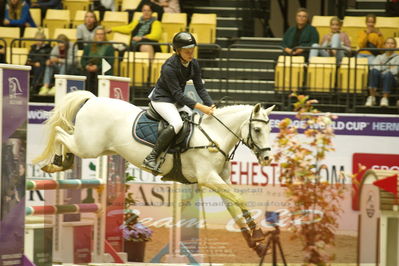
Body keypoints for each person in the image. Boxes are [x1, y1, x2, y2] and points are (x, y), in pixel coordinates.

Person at [142, 32, 215, 172]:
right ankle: (151, 157)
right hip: (162, 100)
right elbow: (178, 94)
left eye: (192, 49)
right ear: (177, 50)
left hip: (175, 101)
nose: (190, 53)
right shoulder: (169, 67)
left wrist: (210, 104)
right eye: (187, 51)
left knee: (194, 120)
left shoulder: (193, 63)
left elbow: (199, 87)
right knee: (177, 123)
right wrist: (201, 107)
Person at [365, 37, 399, 107]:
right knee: (374, 71)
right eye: (388, 43)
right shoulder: (379, 57)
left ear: (395, 46)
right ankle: (372, 97)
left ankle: (385, 98)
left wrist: (382, 67)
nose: (390, 45)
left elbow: (395, 71)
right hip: (379, 78)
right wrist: (388, 67)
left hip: (392, 79)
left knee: (388, 74)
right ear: (384, 45)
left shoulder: (397, 57)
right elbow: (373, 67)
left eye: (392, 43)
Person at [81, 27, 114, 95]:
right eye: (98, 34)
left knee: (98, 76)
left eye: (101, 34)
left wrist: (98, 67)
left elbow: (110, 62)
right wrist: (86, 66)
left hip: (102, 70)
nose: (99, 36)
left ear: (104, 36)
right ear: (95, 35)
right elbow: (83, 59)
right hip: (89, 69)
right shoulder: (88, 46)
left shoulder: (109, 47)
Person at [26, 29, 52, 94]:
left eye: (41, 40)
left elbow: (48, 59)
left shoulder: (48, 48)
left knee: (39, 69)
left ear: (44, 40)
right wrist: (33, 63)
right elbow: (29, 58)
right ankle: (24, 86)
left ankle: (33, 87)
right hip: (32, 64)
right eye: (37, 40)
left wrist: (39, 63)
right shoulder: (33, 48)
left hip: (42, 65)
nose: (39, 42)